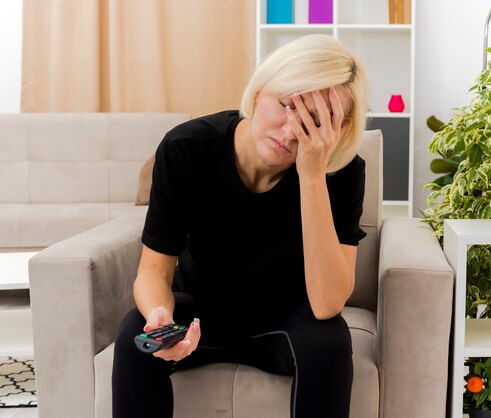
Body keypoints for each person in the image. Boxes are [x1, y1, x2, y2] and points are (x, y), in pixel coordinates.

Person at [111, 34, 369, 418]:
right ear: (261, 89)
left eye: (314, 123)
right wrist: (157, 316)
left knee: (327, 339)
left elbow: (328, 303)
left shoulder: (342, 172)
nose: (290, 133)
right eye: (286, 106)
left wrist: (311, 175)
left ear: (340, 127)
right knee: (137, 330)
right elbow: (153, 269)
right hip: (201, 312)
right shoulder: (186, 148)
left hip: (286, 318)